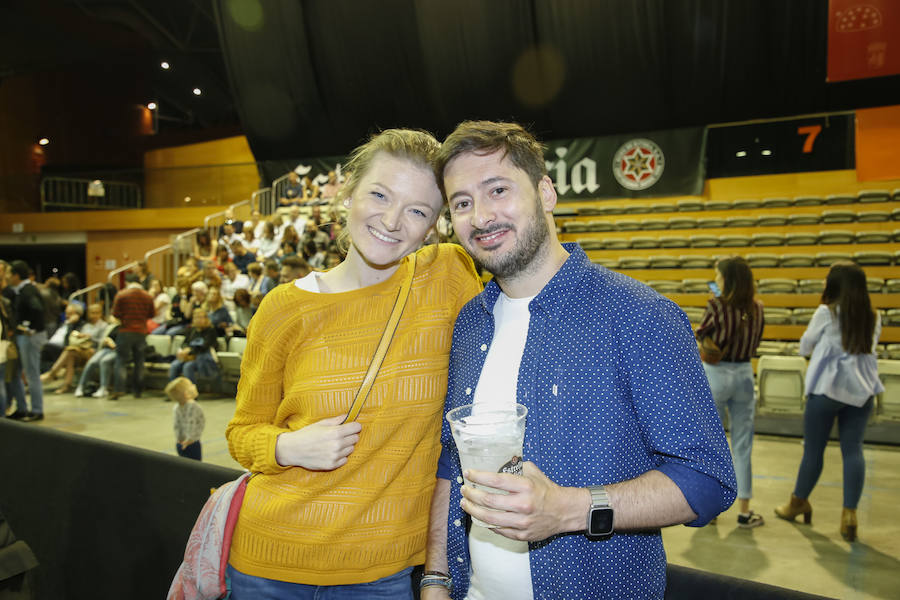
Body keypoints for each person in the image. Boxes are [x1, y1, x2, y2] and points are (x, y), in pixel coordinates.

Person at [422, 121, 735, 600]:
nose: (481, 216)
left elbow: (707, 481)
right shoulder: (469, 323)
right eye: (462, 202)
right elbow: (453, 458)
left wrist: (570, 510)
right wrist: (437, 579)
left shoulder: (640, 317)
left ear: (546, 193)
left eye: (498, 190)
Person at [224, 128, 482, 597]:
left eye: (418, 210)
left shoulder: (447, 276)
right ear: (348, 194)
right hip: (269, 564)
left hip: (380, 576)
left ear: (434, 226)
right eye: (379, 194)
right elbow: (243, 432)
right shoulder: (283, 308)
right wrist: (289, 448)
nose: (392, 219)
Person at [775, 262, 883, 542]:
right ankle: (849, 514)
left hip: (826, 390)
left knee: (813, 451)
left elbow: (805, 346)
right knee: (853, 450)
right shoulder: (873, 315)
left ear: (836, 285)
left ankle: (798, 502)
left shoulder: (826, 312)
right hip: (862, 392)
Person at [695, 256, 766, 528]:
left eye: (718, 274)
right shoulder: (757, 308)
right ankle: (745, 510)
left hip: (716, 372)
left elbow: (702, 332)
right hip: (745, 373)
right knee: (743, 444)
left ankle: (712, 510)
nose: (717, 278)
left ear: (728, 279)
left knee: (712, 443)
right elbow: (757, 340)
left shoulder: (716, 305)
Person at [7, 260, 46, 422]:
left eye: (9, 274)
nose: (7, 277)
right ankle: (23, 408)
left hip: (30, 337)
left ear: (16, 275)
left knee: (31, 374)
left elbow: (37, 309)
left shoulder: (28, 291)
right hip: (25, 336)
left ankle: (37, 410)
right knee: (19, 373)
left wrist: (29, 328)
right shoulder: (22, 290)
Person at [40, 303, 106, 394]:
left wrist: (90, 337)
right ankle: (66, 385)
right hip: (80, 349)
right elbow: (70, 339)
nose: (94, 315)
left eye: (96, 312)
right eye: (92, 313)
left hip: (94, 350)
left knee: (69, 351)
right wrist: (79, 336)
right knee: (70, 354)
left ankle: (52, 373)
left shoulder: (104, 326)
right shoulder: (86, 325)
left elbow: (103, 341)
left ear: (101, 313)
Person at [111, 274, 155, 400]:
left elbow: (115, 313)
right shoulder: (147, 296)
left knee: (121, 360)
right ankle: (138, 391)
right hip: (141, 331)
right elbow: (151, 313)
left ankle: (119, 389)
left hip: (125, 330)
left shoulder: (122, 294)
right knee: (139, 362)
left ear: (127, 282)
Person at [167, 308, 220, 384]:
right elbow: (184, 343)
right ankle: (174, 390)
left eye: (200, 317)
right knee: (174, 365)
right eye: (196, 317)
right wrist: (183, 350)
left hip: (202, 358)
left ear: (206, 318)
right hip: (188, 357)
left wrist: (190, 351)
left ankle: (192, 391)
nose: (198, 320)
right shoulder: (192, 330)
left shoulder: (210, 331)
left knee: (187, 367)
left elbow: (204, 347)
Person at [74, 320, 118, 399]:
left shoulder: (126, 328)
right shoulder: (112, 327)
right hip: (106, 349)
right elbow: (103, 339)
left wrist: (114, 345)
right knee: (92, 362)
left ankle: (103, 388)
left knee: (104, 361)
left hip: (118, 351)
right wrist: (106, 341)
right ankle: (81, 386)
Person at [165, 377, 205, 461]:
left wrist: (179, 440)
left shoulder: (176, 407)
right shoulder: (193, 406)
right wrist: (189, 440)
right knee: (196, 468)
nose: (194, 385)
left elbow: (176, 425)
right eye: (191, 385)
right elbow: (191, 424)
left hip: (180, 443)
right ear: (186, 394)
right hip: (191, 443)